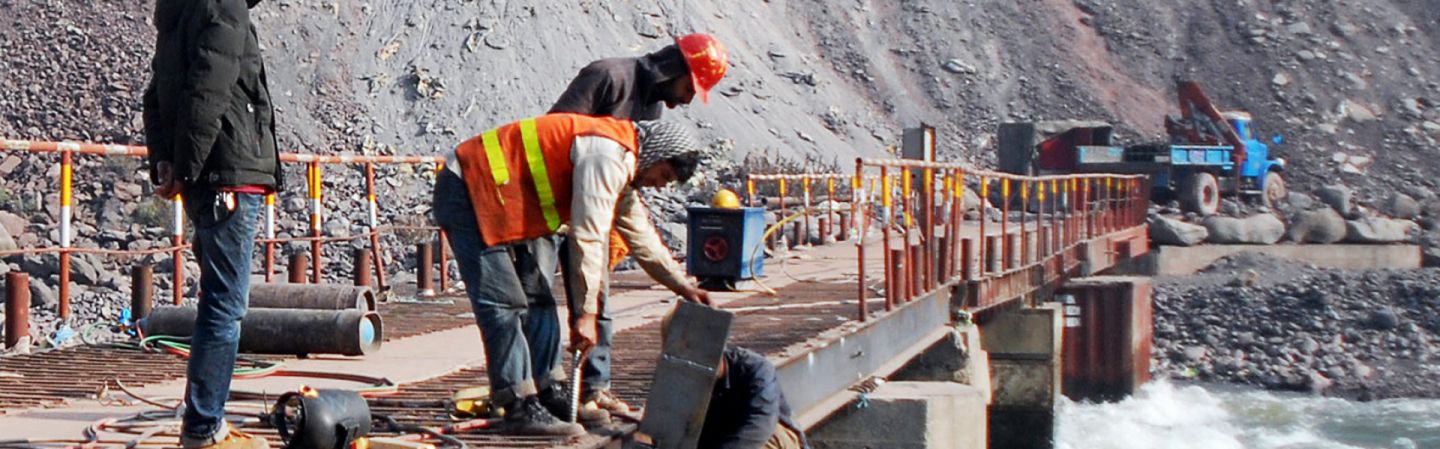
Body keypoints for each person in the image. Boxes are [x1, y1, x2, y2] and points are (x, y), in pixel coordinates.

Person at [433, 113, 712, 436]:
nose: (659, 185)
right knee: (504, 304)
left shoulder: (621, 164)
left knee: (538, 300)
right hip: (468, 186)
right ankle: (518, 405)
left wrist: (682, 286)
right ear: (655, 155)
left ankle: (549, 390)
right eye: (663, 174)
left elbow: (642, 237)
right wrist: (586, 315)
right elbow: (588, 238)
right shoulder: (605, 156)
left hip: (502, 201)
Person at [549, 32, 728, 418]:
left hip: (598, 209)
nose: (686, 99)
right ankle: (542, 394)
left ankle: (593, 390)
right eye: (688, 87)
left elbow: (629, 179)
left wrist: (680, 283)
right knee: (537, 301)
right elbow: (557, 135)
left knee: (599, 302)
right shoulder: (608, 76)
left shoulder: (651, 106)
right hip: (555, 208)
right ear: (673, 69)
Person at [143, 0, 282, 447]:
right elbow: (210, 87)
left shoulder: (177, 11)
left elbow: (157, 95)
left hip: (208, 178)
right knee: (225, 307)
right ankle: (204, 427)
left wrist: (168, 162)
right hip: (229, 174)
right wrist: (186, 166)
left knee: (216, 301)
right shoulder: (224, 6)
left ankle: (203, 416)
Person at [659, 308, 808, 449]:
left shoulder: (755, 368)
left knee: (770, 436)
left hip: (760, 440)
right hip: (718, 440)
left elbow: (760, 423)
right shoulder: (677, 382)